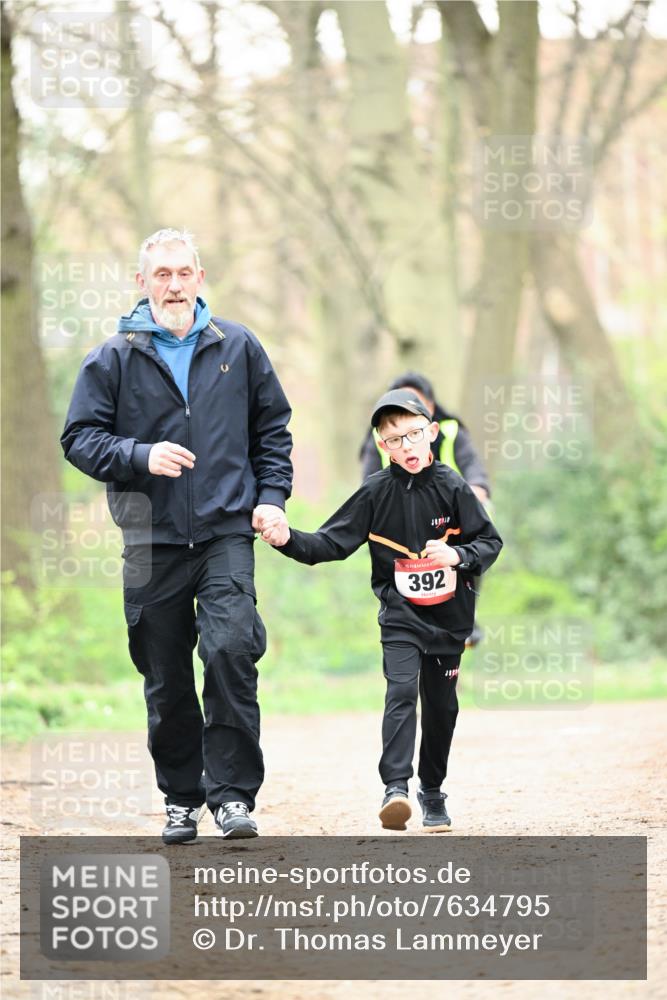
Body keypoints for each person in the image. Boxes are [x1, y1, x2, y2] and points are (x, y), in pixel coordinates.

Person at [61, 228, 292, 842]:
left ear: (200, 277)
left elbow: (274, 432)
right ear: (142, 283)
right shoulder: (112, 356)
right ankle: (182, 798)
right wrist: (139, 455)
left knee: (229, 652)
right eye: (160, 274)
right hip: (151, 539)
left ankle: (235, 796)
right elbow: (78, 438)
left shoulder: (238, 347)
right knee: (165, 675)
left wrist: (271, 501)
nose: (173, 284)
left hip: (224, 534)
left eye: (182, 272)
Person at [260, 389, 502, 832]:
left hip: (449, 619)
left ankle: (432, 791)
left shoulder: (453, 487)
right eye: (394, 440)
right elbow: (329, 543)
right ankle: (396, 789)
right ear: (381, 445)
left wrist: (457, 557)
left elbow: (490, 543)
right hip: (400, 616)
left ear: (431, 433)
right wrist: (286, 538)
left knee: (442, 709)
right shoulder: (375, 492)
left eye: (413, 435)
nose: (406, 447)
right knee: (401, 692)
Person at [360, 372, 490, 503]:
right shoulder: (378, 439)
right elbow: (369, 492)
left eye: (415, 404)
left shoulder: (452, 431)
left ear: (431, 408)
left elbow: (474, 473)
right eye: (395, 440)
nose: (407, 445)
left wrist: (463, 498)